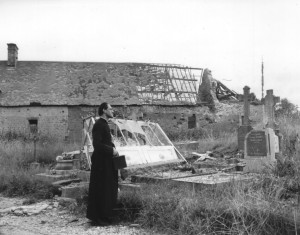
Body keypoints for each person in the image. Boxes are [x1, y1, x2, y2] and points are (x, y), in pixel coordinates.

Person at [86, 102, 119, 226]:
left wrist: (113, 148)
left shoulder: (104, 124)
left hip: (106, 161)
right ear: (104, 110)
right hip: (100, 164)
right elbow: (97, 145)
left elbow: (106, 141)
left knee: (107, 188)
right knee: (101, 188)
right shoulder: (99, 124)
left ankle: (106, 215)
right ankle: (99, 218)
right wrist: (111, 150)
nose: (113, 111)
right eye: (111, 109)